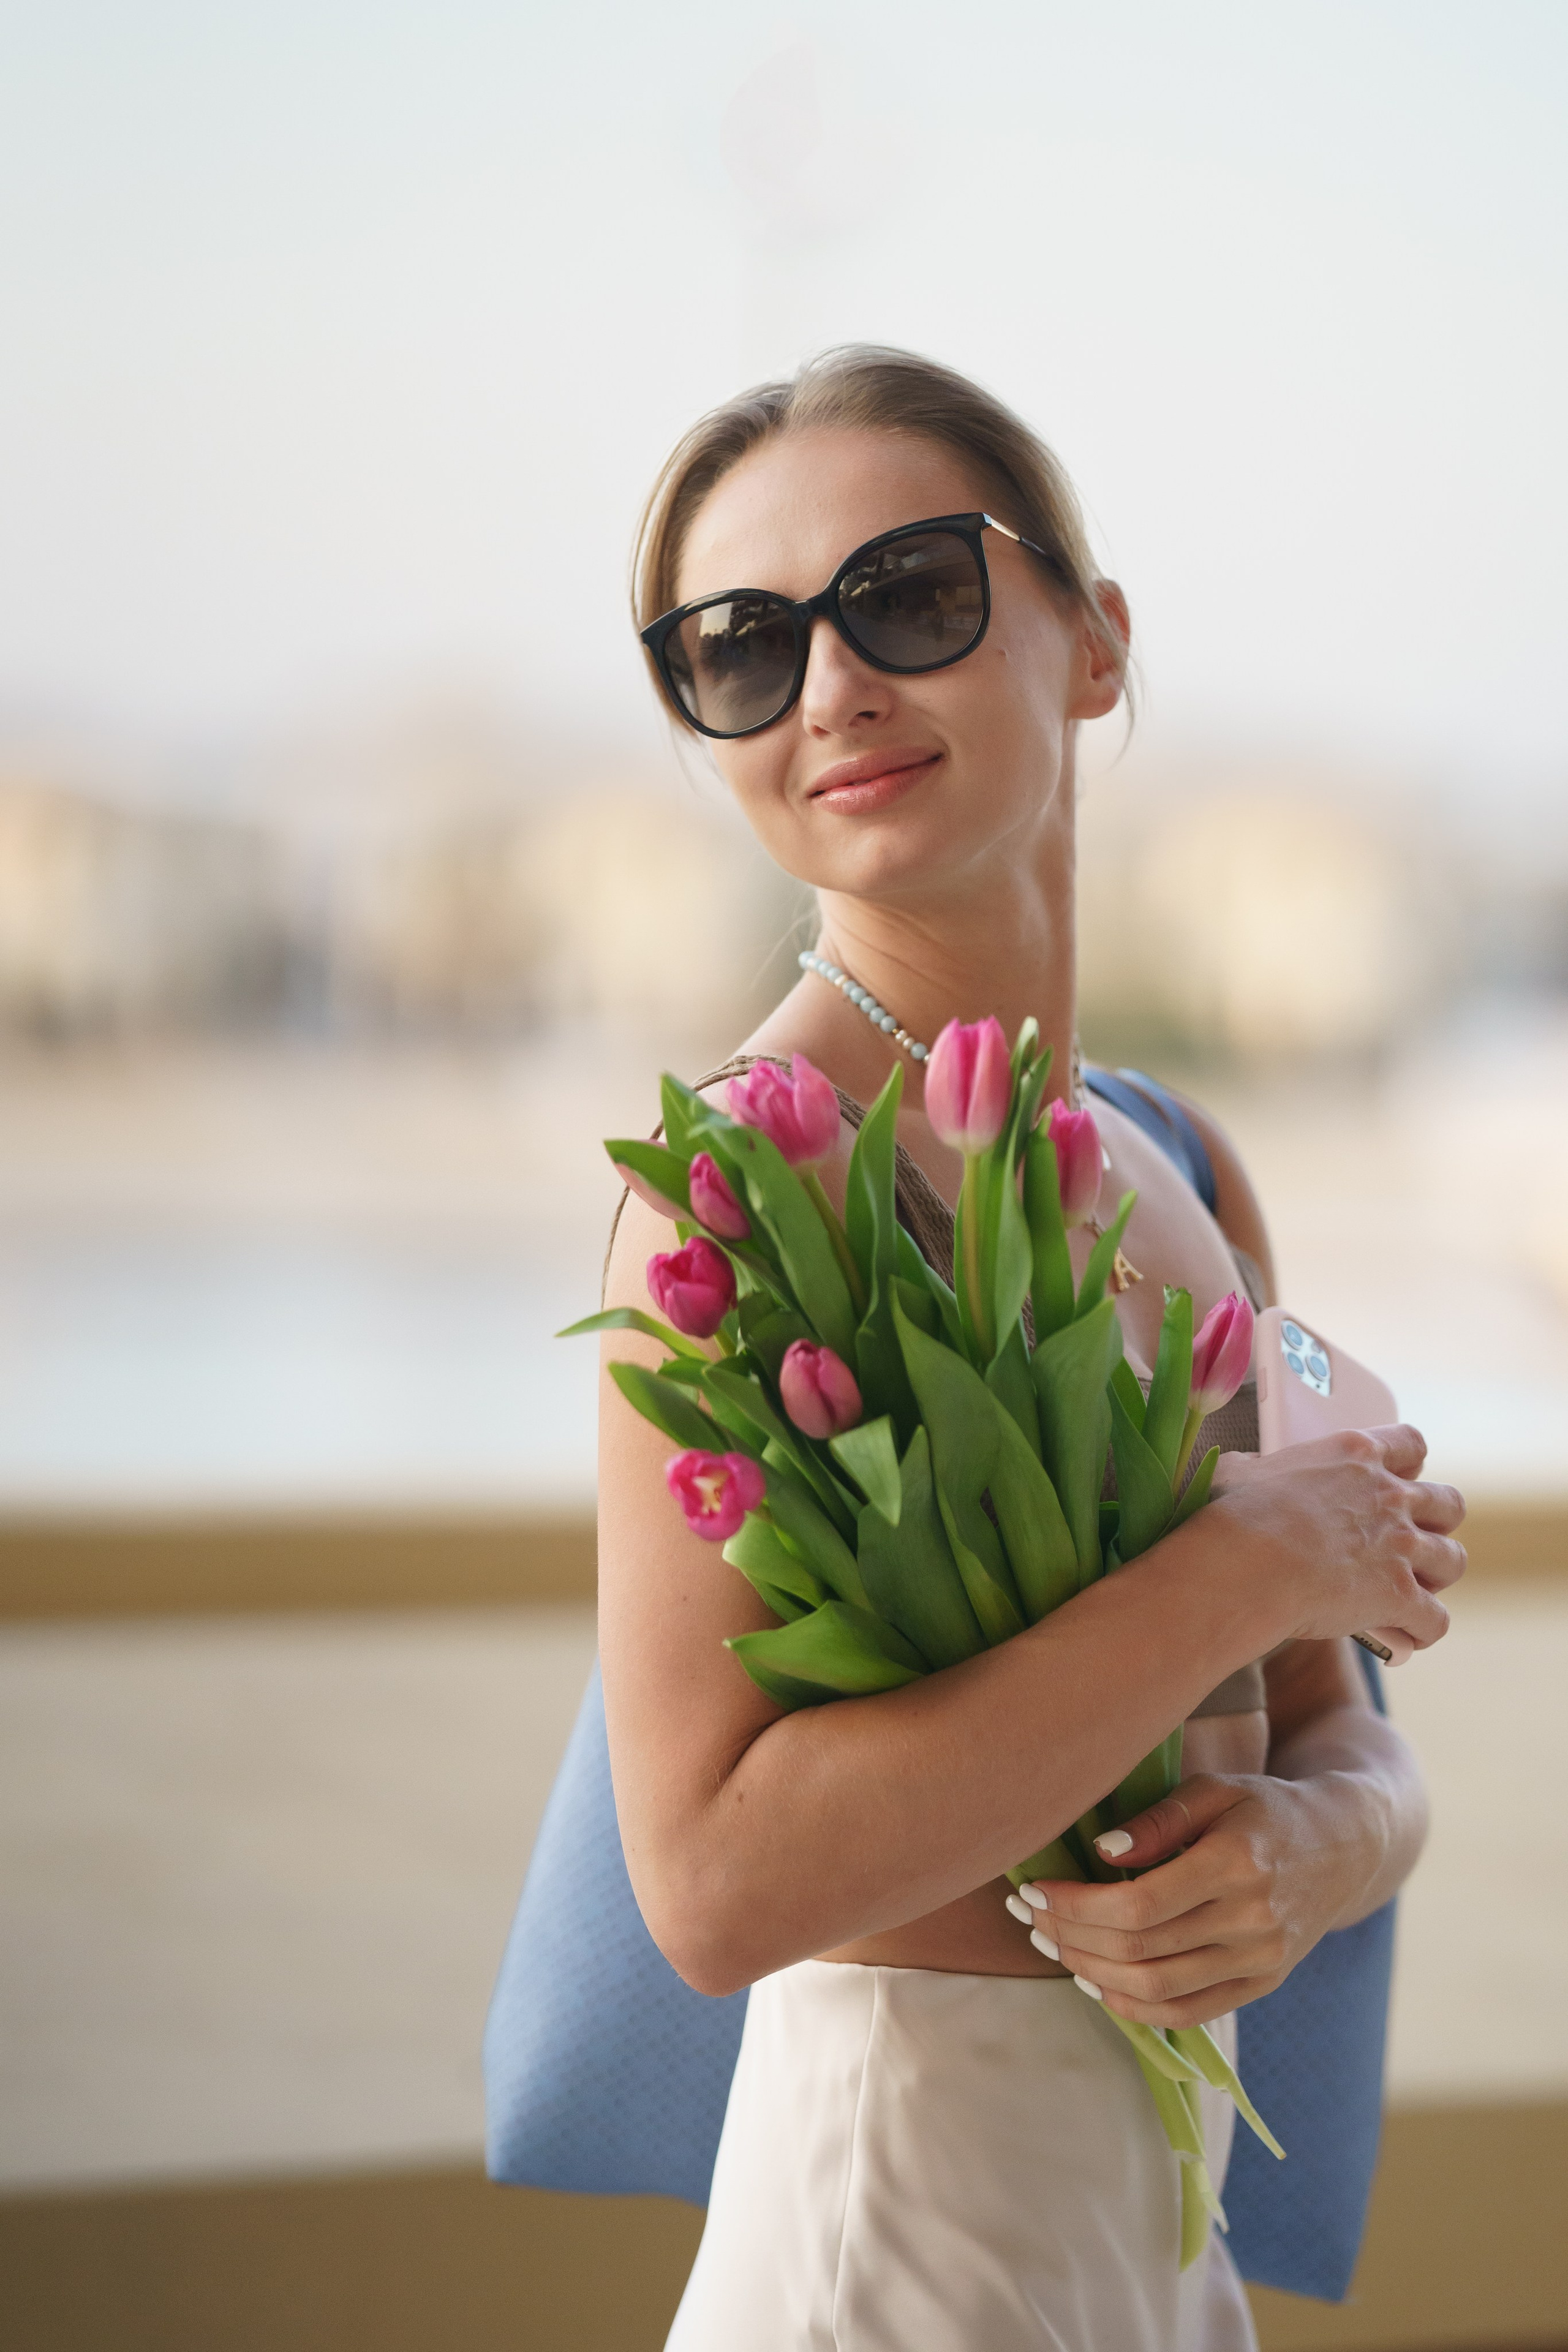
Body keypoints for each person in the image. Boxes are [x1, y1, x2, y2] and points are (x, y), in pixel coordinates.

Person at [597, 346, 1464, 2352]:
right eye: (740, 649)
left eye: (908, 594)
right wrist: (1254, 1562)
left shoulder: (1182, 1161)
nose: (830, 687)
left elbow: (1347, 1732)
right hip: (888, 2252)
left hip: (1160, 2258)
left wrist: (1318, 1849)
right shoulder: (745, 1193)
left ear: (1093, 643)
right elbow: (712, 1887)